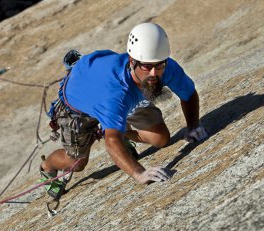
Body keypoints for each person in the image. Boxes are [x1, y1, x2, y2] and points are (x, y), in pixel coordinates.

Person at [40, 23, 208, 198]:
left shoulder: (164, 68)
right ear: (131, 60)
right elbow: (112, 142)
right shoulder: (115, 95)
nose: (153, 73)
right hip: (78, 107)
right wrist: (139, 173)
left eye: (159, 65)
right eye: (146, 66)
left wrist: (193, 126)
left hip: (116, 97)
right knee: (77, 162)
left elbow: (188, 94)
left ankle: (115, 128)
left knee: (161, 139)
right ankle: (47, 167)